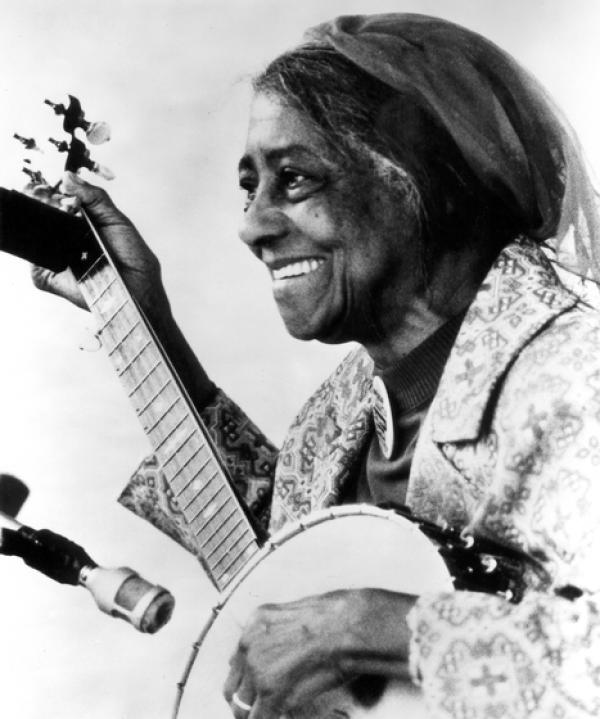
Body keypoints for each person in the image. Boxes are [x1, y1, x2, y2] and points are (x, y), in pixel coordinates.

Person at [31, 13, 600, 719]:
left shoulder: (578, 381)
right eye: (249, 187)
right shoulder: (333, 422)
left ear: (428, 180)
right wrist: (144, 326)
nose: (251, 225)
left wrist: (369, 623)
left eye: (294, 179)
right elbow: (272, 572)